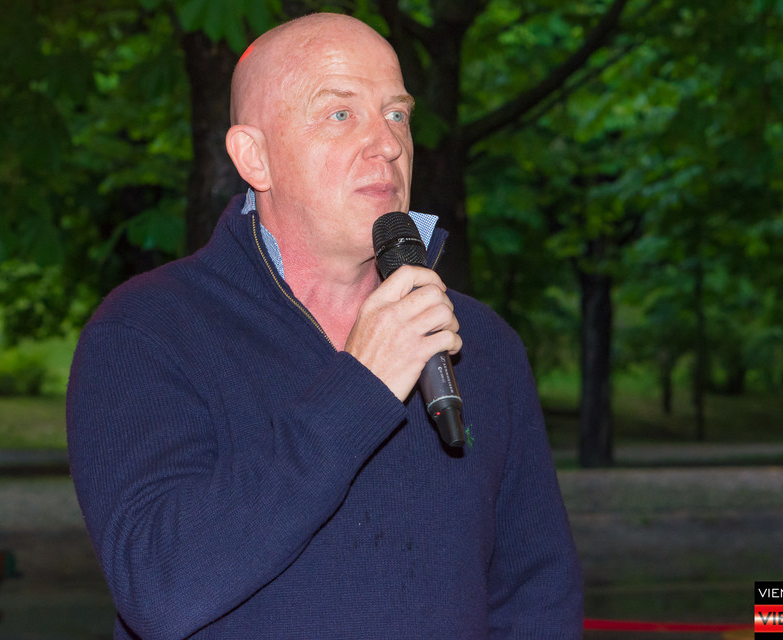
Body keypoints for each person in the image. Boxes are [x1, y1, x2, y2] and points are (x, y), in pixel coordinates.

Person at [67, 12, 583, 640]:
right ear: (255, 157)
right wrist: (361, 387)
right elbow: (159, 588)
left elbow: (536, 599)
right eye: (341, 114)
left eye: (397, 114)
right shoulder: (145, 332)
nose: (387, 144)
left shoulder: (480, 342)